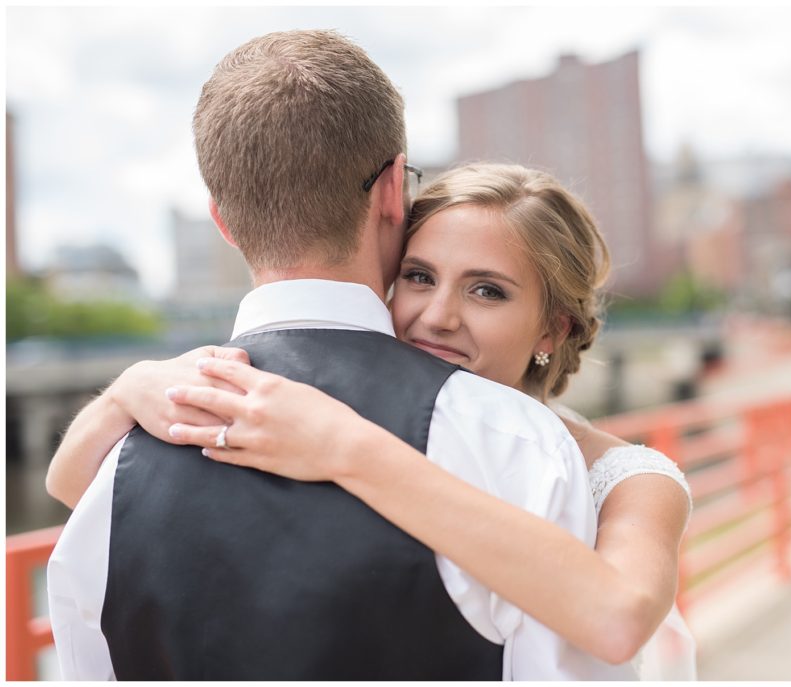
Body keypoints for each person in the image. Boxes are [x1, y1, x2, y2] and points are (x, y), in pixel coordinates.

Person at [45, 29, 625, 681]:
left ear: (223, 221)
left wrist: (126, 394)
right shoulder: (520, 444)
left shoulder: (119, 460)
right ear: (389, 194)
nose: (440, 313)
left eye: (486, 289)